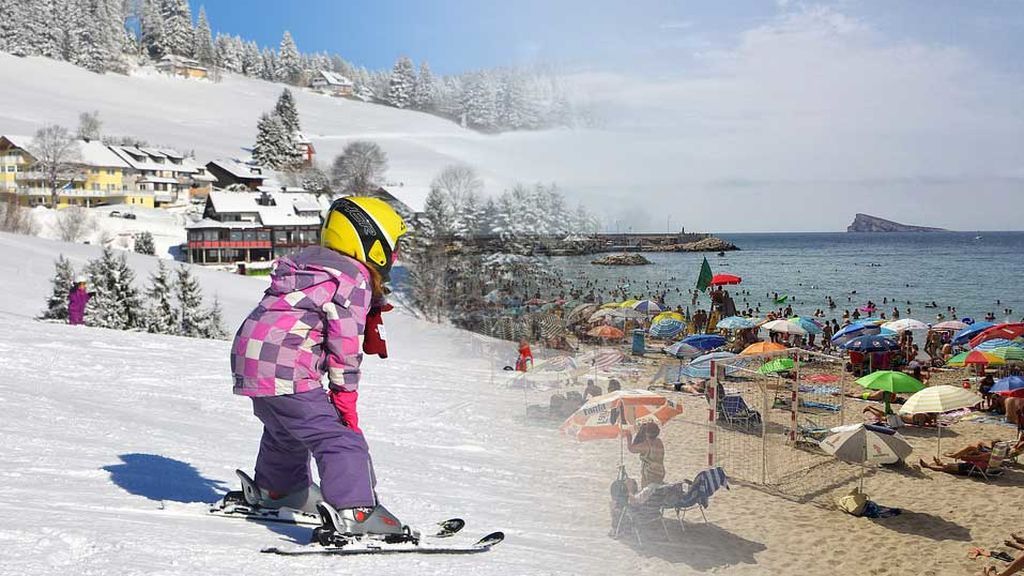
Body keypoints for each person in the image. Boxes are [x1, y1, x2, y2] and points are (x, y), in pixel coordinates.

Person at [230, 196, 409, 538]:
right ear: (373, 242)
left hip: (250, 358)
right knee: (339, 439)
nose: (396, 255)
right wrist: (344, 394)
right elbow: (344, 342)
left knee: (287, 429)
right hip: (286, 365)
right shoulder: (351, 277)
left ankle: (281, 490)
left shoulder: (310, 266)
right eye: (394, 245)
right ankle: (356, 511)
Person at [626, 421, 666, 489]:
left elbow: (631, 449)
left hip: (650, 474)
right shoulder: (659, 441)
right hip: (660, 472)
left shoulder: (646, 445)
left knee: (646, 491)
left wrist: (629, 437)